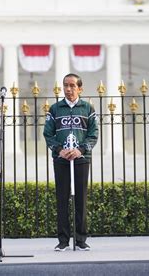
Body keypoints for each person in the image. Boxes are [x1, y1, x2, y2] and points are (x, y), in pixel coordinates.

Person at [43, 73, 98, 251]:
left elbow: (93, 134)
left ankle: (81, 240)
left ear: (80, 88)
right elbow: (48, 134)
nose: (68, 89)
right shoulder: (55, 109)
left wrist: (80, 150)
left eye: (72, 85)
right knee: (62, 199)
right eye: (66, 85)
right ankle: (63, 240)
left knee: (80, 199)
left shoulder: (88, 109)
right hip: (61, 160)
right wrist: (60, 150)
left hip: (81, 160)